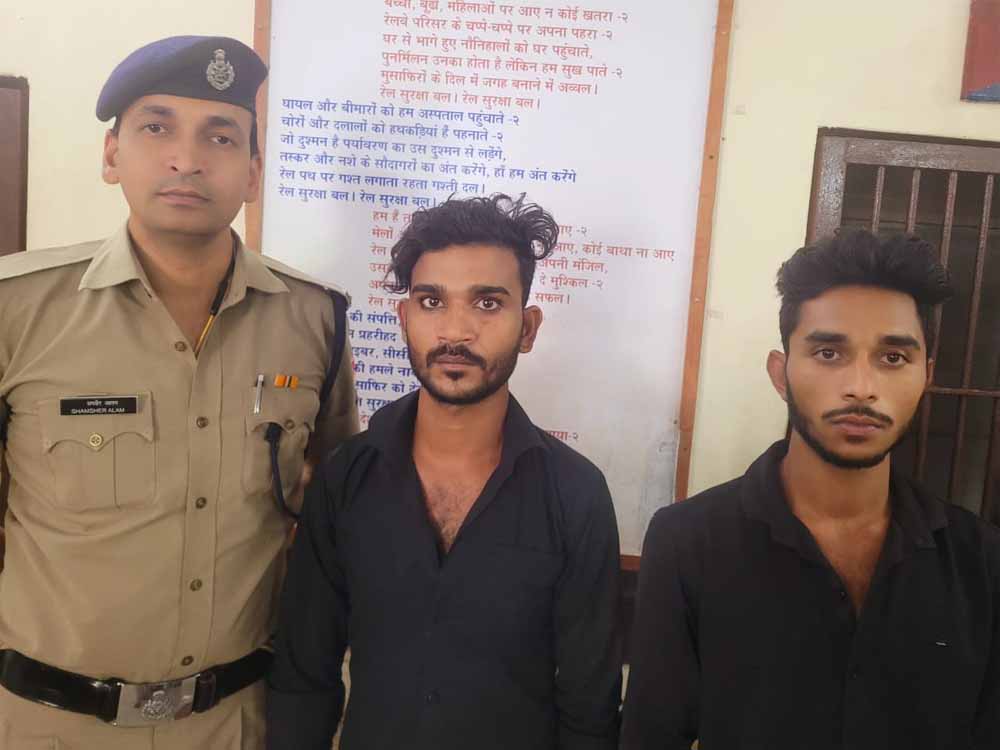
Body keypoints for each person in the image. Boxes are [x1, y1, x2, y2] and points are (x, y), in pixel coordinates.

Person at [0, 36, 358, 748]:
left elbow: (333, 511)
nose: (187, 159)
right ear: (112, 154)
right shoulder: (18, 310)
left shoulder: (313, 319)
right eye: (157, 127)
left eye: (220, 136)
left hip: (236, 724)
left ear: (252, 172)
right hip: (50, 726)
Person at [266, 194, 623, 750]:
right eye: (432, 301)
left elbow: (590, 709)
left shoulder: (576, 494)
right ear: (404, 319)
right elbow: (304, 677)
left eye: (488, 303)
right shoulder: (346, 478)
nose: (456, 331)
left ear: (528, 328)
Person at [620, 229, 1000, 749]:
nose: (861, 387)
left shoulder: (981, 561)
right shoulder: (688, 542)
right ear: (781, 374)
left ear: (925, 375)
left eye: (893, 358)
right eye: (828, 352)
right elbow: (652, 735)